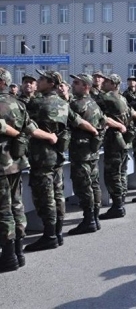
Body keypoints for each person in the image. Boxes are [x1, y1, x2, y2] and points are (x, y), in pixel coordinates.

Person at [24, 70, 98, 251]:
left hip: (41, 156)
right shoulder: (64, 104)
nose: (37, 82)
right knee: (58, 194)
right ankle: (57, 233)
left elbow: (24, 125)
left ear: (50, 83)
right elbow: (79, 122)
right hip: (58, 155)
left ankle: (49, 235)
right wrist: (95, 131)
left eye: (41, 80)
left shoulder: (36, 103)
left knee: (44, 196)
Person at [0, 68, 57, 271]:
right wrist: (50, 136)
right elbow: (31, 129)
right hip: (15, 162)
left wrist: (14, 134)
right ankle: (18, 252)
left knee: (3, 210)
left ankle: (8, 256)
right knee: (16, 206)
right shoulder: (18, 103)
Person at [96, 74, 136, 220]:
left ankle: (117, 206)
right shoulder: (123, 98)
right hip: (123, 140)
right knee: (121, 171)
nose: (103, 84)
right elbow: (131, 113)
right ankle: (121, 201)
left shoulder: (106, 98)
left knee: (112, 174)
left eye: (106, 82)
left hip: (114, 140)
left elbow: (94, 108)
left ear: (113, 84)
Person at [67, 74, 110, 235]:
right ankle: (95, 217)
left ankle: (89, 220)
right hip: (92, 150)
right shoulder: (94, 103)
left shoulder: (77, 105)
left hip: (81, 151)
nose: (73, 84)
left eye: (76, 83)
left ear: (86, 86)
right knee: (93, 184)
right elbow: (104, 122)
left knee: (83, 185)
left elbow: (69, 121)